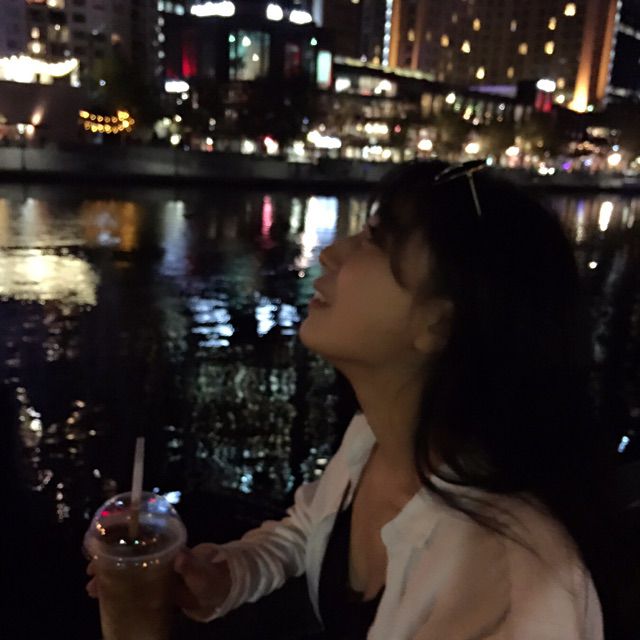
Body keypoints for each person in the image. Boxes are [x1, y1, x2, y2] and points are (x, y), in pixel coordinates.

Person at [89, 160, 618, 638]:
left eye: (375, 241)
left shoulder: (504, 586)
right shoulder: (375, 438)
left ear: (439, 323)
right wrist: (229, 575)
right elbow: (308, 528)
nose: (330, 252)